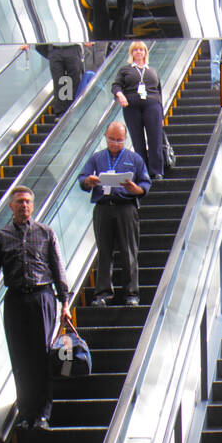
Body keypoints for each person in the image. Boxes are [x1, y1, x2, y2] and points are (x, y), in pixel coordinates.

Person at [0, 186, 71, 431]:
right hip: (15, 299)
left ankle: (43, 414)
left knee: (41, 356)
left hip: (42, 297)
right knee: (20, 357)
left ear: (33, 205)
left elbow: (58, 269)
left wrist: (65, 303)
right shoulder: (1, 237)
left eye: (27, 201)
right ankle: (26, 413)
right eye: (19, 202)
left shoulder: (46, 233)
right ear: (11, 206)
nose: (23, 205)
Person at [78, 121, 152, 307]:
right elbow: (82, 179)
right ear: (105, 136)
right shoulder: (97, 158)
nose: (115, 143)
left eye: (119, 140)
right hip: (103, 206)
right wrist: (89, 181)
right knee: (104, 250)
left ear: (125, 139)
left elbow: (145, 183)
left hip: (126, 206)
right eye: (112, 139)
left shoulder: (134, 159)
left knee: (129, 250)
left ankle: (131, 293)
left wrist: (135, 189)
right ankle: (102, 293)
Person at [111, 42, 164, 177]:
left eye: (141, 50)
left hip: (152, 106)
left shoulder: (152, 70)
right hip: (132, 107)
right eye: (135, 50)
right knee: (137, 139)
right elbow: (116, 86)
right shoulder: (125, 70)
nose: (138, 52)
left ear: (145, 52)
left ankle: (156, 171)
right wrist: (120, 95)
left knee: (155, 139)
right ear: (132, 53)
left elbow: (159, 92)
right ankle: (142, 171)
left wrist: (161, 115)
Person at [34, 43, 84, 114]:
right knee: (58, 81)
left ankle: (74, 109)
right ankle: (61, 112)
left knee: (74, 81)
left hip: (72, 47)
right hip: (55, 49)